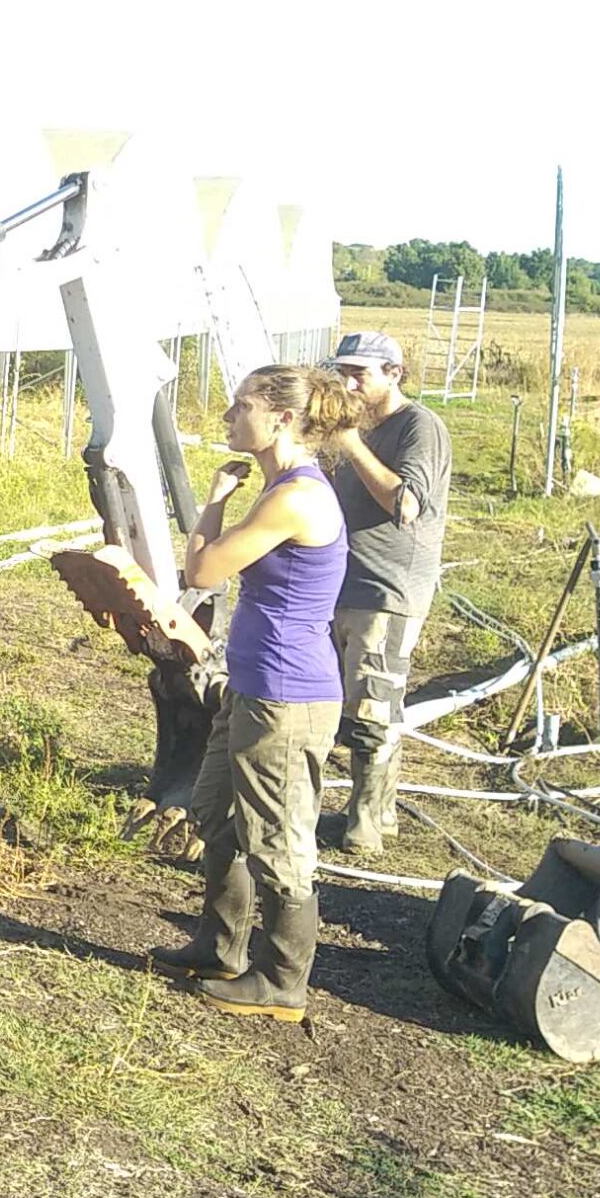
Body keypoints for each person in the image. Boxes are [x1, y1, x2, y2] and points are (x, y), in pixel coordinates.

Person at [153, 363, 358, 1022]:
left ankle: (282, 981)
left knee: (276, 837)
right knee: (216, 813)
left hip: (286, 695)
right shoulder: (278, 486)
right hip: (251, 683)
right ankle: (221, 947)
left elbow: (203, 568)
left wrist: (211, 500)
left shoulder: (295, 496)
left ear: (280, 419)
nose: (227, 416)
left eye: (240, 406)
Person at [323, 331, 451, 858]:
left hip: (386, 587)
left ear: (395, 373)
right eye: (342, 372)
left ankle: (363, 825)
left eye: (361, 373)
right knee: (348, 704)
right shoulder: (346, 426)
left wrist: (351, 444)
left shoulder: (418, 426)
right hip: (337, 583)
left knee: (373, 709)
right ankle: (382, 813)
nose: (348, 383)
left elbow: (406, 504)